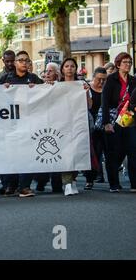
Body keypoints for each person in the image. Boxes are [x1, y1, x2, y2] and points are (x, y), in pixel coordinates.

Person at [0, 50, 43, 197]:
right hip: (10, 123)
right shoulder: (5, 79)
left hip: (29, 123)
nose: (24, 63)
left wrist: (46, 85)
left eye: (27, 60)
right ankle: (9, 185)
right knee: (10, 154)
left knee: (28, 154)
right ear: (16, 63)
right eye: (21, 60)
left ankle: (24, 186)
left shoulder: (34, 79)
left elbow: (49, 94)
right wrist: (1, 89)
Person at [102, 52, 136, 193]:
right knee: (114, 152)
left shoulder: (133, 80)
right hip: (114, 119)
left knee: (133, 151)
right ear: (118, 64)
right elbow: (104, 101)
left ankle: (134, 184)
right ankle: (114, 183)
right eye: (125, 62)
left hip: (129, 118)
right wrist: (106, 122)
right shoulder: (111, 79)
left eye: (129, 62)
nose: (128, 64)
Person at [59, 58, 92, 195]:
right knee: (65, 152)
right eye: (66, 66)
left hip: (78, 123)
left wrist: (85, 92)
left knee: (77, 151)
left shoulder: (82, 84)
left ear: (76, 68)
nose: (69, 68)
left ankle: (72, 179)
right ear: (62, 69)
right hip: (61, 123)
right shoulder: (57, 85)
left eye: (72, 66)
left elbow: (90, 105)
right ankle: (66, 183)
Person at [87, 67, 108, 186]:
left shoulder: (107, 89)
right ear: (93, 77)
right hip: (91, 124)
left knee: (107, 151)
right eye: (99, 79)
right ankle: (90, 179)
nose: (101, 82)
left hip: (105, 123)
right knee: (94, 151)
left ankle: (108, 178)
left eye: (104, 80)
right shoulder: (88, 88)